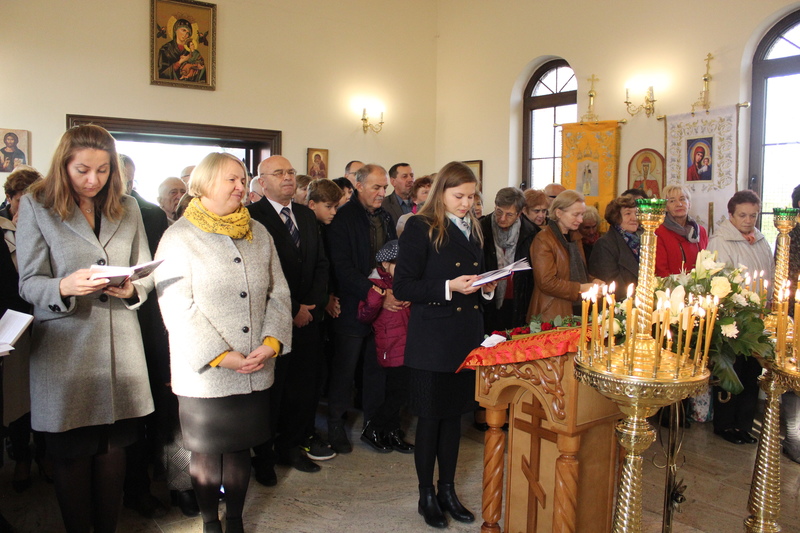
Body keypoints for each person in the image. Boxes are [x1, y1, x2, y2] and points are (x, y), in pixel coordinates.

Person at [16, 124, 155, 533]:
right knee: (71, 451)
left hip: (119, 345)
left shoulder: (127, 207)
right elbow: (28, 282)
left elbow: (146, 270)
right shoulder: (38, 204)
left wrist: (133, 288)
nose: (93, 179)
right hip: (66, 347)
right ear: (64, 165)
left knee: (114, 448)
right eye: (82, 170)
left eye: (103, 170)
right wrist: (63, 286)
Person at [154, 152, 293, 533]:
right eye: (231, 179)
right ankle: (208, 522)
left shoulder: (258, 232)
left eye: (243, 179)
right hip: (205, 371)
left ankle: (234, 520)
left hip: (255, 363)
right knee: (206, 450)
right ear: (204, 184)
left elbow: (279, 292)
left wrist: (272, 341)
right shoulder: (179, 236)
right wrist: (220, 355)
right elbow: (176, 305)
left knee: (239, 448)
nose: (240, 186)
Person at [393, 161, 497, 529]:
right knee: (430, 419)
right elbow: (403, 286)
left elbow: (478, 275)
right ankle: (426, 494)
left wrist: (486, 287)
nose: (467, 203)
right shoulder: (420, 226)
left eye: (471, 196)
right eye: (459, 196)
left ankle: (448, 490)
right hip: (433, 338)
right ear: (441, 193)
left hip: (465, 336)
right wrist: (448, 287)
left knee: (454, 418)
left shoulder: (475, 227)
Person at [247, 156, 333, 487]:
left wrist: (312, 304)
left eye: (290, 172)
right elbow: (260, 273)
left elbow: (321, 263)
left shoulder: (306, 215)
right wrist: (293, 308)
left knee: (303, 388)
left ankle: (291, 446)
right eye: (278, 173)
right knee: (274, 391)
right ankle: (264, 456)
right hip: (273, 319)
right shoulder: (252, 216)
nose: (287, 177)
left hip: (308, 318)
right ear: (262, 182)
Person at [326, 164, 398, 454]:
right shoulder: (343, 218)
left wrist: (391, 289)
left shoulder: (386, 217)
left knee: (376, 370)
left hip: (382, 306)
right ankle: (335, 425)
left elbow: (392, 258)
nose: (382, 193)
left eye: (385, 188)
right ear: (358, 185)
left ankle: (374, 428)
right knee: (344, 371)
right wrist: (375, 293)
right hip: (353, 305)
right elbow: (341, 267)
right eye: (376, 187)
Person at [707, 190, 773, 446]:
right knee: (731, 371)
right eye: (743, 215)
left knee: (752, 372)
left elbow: (769, 273)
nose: (748, 221)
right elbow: (717, 279)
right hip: (732, 317)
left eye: (753, 215)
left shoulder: (761, 239)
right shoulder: (720, 240)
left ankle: (744, 424)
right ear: (731, 215)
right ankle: (725, 424)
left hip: (757, 317)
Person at [356, 240, 414, 453]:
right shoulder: (374, 284)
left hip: (406, 343)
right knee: (397, 392)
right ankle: (373, 428)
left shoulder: (404, 282)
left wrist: (411, 299)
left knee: (397, 391)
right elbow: (364, 315)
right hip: (389, 345)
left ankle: (392, 432)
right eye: (400, 263)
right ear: (386, 264)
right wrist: (377, 298)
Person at [526, 190, 598, 322]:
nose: (580, 220)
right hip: (552, 312)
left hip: (577, 307)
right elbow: (546, 282)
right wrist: (580, 288)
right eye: (576, 214)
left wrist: (593, 281)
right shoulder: (543, 239)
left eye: (582, 214)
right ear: (559, 213)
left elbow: (575, 271)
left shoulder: (575, 237)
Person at [481, 187, 538, 332]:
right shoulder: (481, 228)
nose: (502, 218)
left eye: (509, 214)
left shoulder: (531, 232)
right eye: (499, 211)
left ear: (519, 214)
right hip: (487, 300)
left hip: (519, 300)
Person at [588, 195, 640, 300]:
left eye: (636, 213)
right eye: (628, 213)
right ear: (616, 217)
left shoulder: (640, 240)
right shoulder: (605, 244)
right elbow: (611, 283)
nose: (634, 218)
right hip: (618, 304)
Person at [654, 185, 708, 277]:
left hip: (699, 284)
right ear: (666, 207)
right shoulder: (659, 232)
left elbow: (707, 263)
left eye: (682, 199)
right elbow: (661, 270)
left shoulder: (700, 231)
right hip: (670, 284)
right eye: (672, 201)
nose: (679, 204)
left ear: (689, 204)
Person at [783, 183, 800, 463]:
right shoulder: (790, 234)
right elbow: (789, 272)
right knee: (793, 373)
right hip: (795, 312)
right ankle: (794, 439)